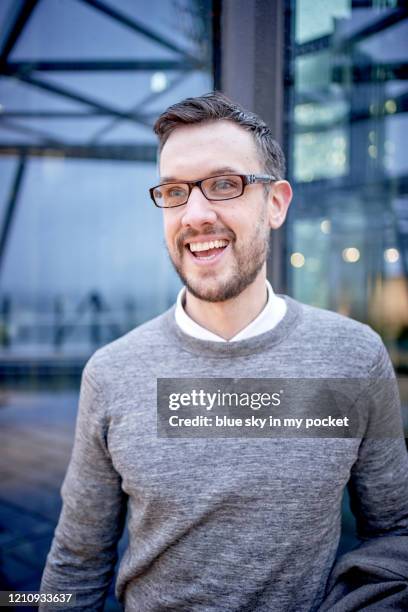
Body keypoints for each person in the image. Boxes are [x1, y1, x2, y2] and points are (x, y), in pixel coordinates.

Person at [40, 92, 408, 611]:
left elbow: (397, 534)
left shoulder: (353, 358)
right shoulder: (113, 372)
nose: (194, 214)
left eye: (223, 185)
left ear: (275, 203)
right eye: (174, 190)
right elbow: (75, 566)